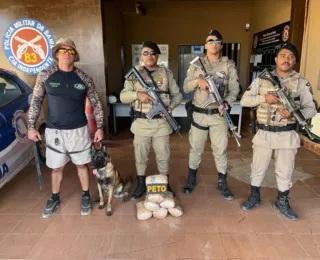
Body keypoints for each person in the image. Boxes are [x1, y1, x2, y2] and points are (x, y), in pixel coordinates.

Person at [27, 38, 104, 218]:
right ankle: (55, 197)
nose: (67, 54)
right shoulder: (46, 75)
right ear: (56, 54)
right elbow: (36, 101)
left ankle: (85, 195)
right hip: (55, 131)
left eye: (70, 51)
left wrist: (100, 127)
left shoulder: (84, 78)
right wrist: (31, 126)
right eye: (63, 50)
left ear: (75, 55)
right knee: (56, 168)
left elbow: (97, 104)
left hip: (79, 130)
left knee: (82, 165)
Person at [240, 43, 316, 220]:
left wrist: (295, 112)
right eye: (283, 55)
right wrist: (263, 98)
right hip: (264, 133)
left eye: (290, 56)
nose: (286, 59)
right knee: (258, 167)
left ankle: (282, 201)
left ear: (295, 61)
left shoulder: (302, 83)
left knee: (285, 170)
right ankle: (254, 196)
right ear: (276, 59)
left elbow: (311, 108)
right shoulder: (261, 80)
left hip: (287, 134)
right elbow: (244, 100)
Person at [120, 41, 183, 200]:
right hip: (141, 123)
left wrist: (170, 108)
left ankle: (165, 182)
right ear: (142, 56)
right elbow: (123, 96)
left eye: (153, 53)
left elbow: (178, 95)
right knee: (141, 156)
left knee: (163, 155)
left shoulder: (166, 73)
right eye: (146, 53)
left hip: (161, 124)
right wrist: (137, 95)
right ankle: (141, 183)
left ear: (157, 55)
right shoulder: (134, 75)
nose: (149, 56)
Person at [183, 30, 240, 199]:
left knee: (220, 150)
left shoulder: (228, 64)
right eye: (210, 41)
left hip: (219, 115)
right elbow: (185, 86)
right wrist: (197, 82)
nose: (214, 44)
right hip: (199, 114)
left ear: (221, 45)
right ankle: (191, 178)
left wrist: (227, 102)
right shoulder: (196, 64)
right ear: (205, 45)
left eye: (217, 41)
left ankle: (222, 182)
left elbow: (235, 88)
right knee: (195, 149)